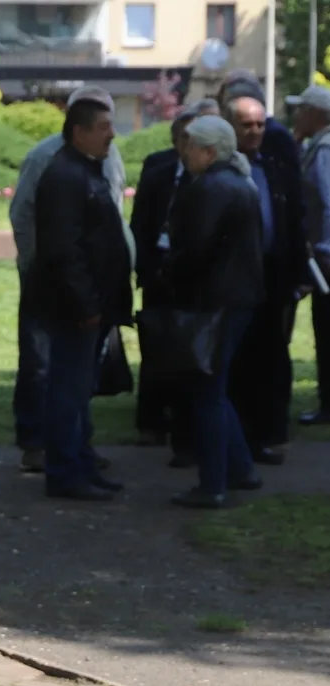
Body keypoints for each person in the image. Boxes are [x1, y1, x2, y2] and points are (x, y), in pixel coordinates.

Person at [10, 85, 130, 474]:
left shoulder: (100, 160)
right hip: (65, 291)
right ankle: (47, 452)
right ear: (79, 128)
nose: (112, 133)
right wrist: (41, 272)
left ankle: (78, 452)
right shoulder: (55, 166)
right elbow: (47, 233)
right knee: (46, 367)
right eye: (103, 125)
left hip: (91, 290)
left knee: (80, 378)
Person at [166, 115, 264, 508]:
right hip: (238, 297)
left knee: (207, 390)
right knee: (215, 387)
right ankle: (240, 468)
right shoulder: (240, 182)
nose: (184, 152)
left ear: (208, 151)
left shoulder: (208, 188)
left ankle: (213, 484)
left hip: (214, 299)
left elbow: (197, 249)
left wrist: (169, 271)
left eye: (190, 146)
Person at [129, 99, 220, 466]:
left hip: (193, 282)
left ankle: (187, 438)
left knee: (190, 358)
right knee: (155, 350)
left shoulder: (212, 179)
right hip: (159, 275)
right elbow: (141, 225)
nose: (188, 145)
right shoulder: (158, 172)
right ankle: (151, 422)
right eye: (184, 137)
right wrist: (146, 270)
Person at [223, 93, 306, 466]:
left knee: (269, 357)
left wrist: (299, 273)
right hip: (231, 280)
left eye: (260, 124)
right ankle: (236, 442)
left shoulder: (275, 165)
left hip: (272, 276)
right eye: (246, 125)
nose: (255, 132)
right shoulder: (220, 169)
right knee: (236, 360)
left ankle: (264, 436)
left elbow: (294, 219)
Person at [289, 85, 330, 426]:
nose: (296, 115)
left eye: (302, 109)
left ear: (317, 114)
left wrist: (324, 251)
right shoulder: (316, 145)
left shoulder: (325, 150)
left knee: (327, 331)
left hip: (327, 260)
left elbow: (329, 203)